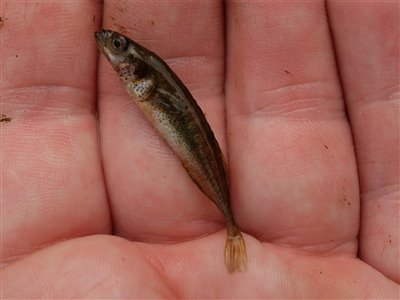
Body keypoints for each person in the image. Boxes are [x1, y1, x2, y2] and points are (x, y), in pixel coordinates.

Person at [2, 1, 398, 297]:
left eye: (119, 46)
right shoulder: (143, 82)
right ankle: (230, 228)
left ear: (137, 68)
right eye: (116, 45)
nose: (111, 46)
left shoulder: (147, 82)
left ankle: (232, 231)